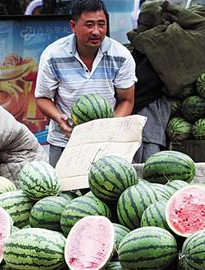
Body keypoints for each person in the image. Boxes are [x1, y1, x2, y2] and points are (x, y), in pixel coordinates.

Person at [35, 0, 137, 167]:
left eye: (101, 24)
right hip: (64, 141)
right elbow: (42, 98)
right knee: (60, 191)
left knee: (105, 188)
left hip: (106, 143)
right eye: (89, 25)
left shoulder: (121, 56)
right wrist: (60, 120)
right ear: (73, 26)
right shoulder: (53, 55)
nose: (96, 31)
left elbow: (126, 100)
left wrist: (109, 128)